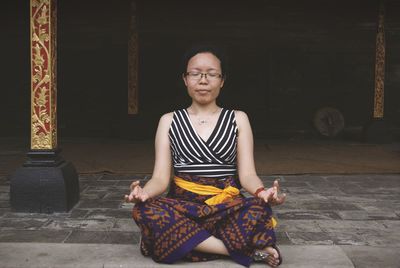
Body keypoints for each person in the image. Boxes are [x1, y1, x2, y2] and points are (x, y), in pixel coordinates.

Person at [125, 44, 286, 267]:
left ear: (222, 80)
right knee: (145, 210)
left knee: (258, 209)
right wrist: (144, 193)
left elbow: (248, 174)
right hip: (183, 206)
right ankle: (238, 249)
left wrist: (262, 193)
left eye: (211, 74)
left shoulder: (238, 119)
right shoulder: (168, 121)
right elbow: (160, 179)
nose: (203, 80)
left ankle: (190, 242)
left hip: (225, 207)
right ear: (185, 79)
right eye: (195, 74)